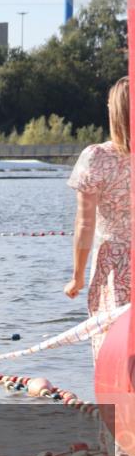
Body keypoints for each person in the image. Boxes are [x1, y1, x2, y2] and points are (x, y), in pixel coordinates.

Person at [65, 76, 131, 360]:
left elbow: (85, 224)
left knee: (114, 347)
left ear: (113, 111)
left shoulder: (97, 157)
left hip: (115, 265)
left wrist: (77, 276)